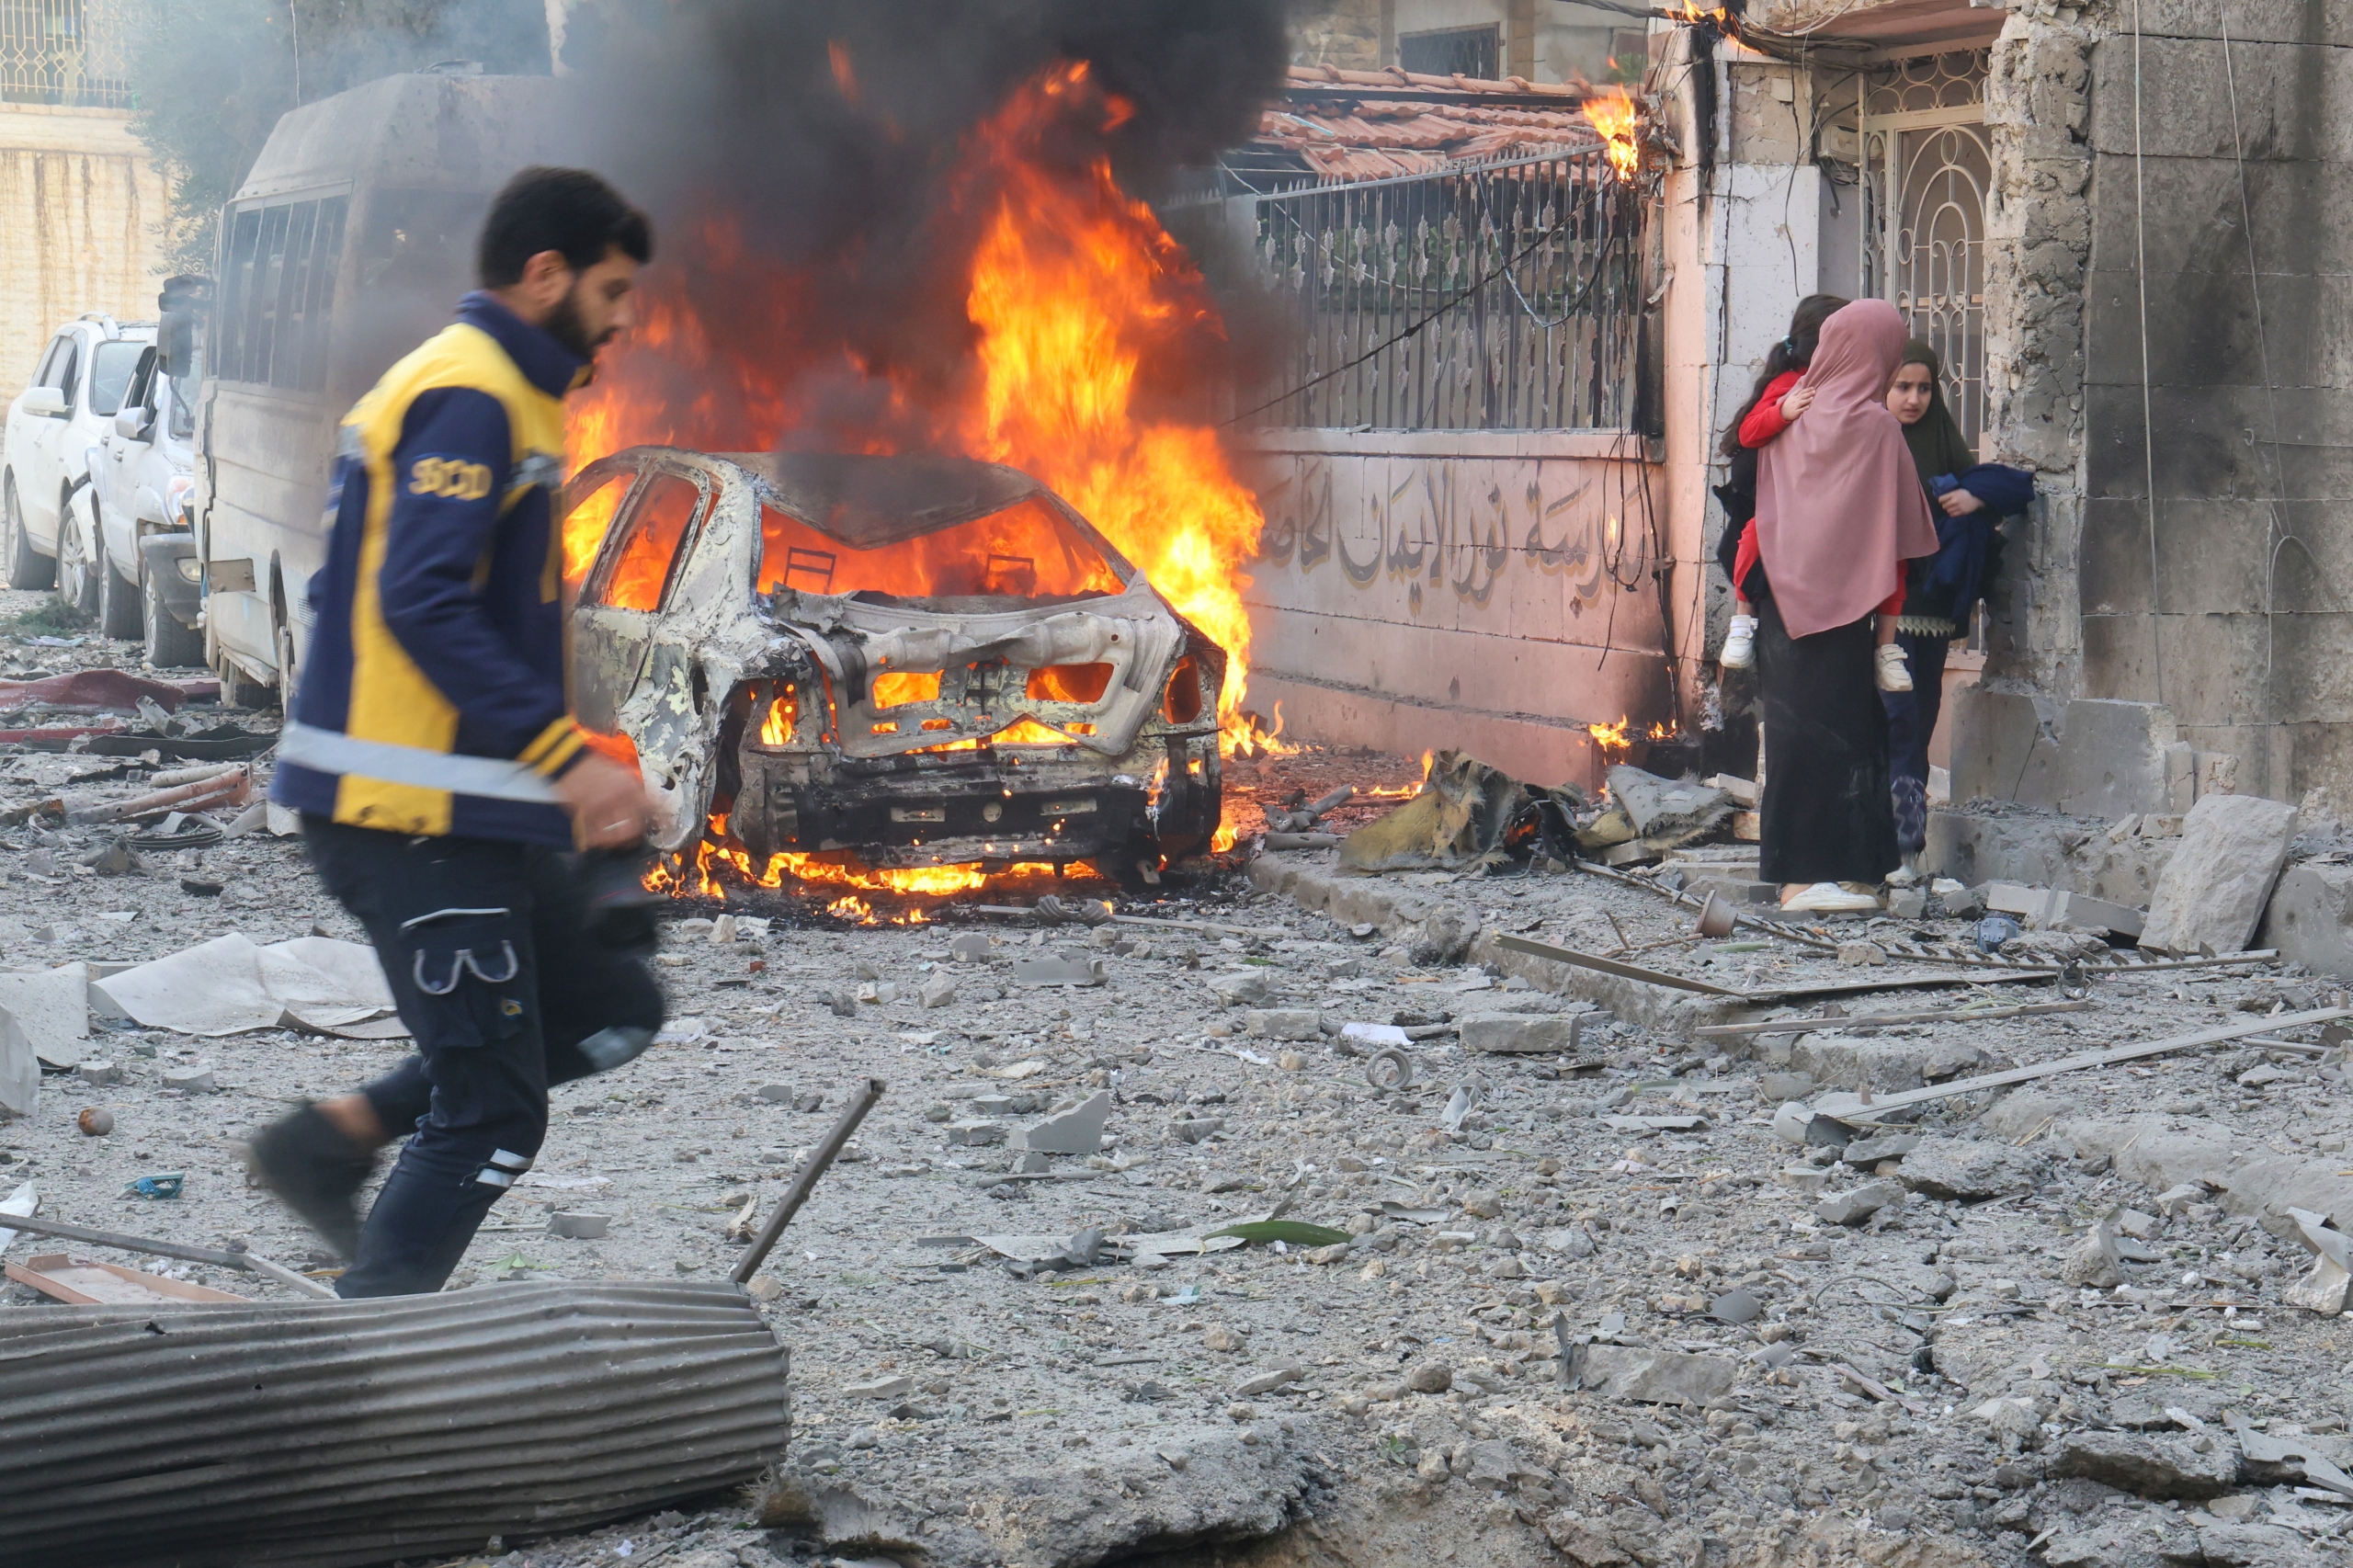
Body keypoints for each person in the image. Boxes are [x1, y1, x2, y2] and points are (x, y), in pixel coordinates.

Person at [246, 167, 666, 1298]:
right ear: (546, 275)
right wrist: (560, 758)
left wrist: (591, 768)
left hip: (474, 805)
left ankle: (333, 1137)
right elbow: (418, 601)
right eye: (614, 289)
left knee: (612, 1008)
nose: (626, 317)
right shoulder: (470, 394)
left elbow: (485, 617)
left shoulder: (514, 397)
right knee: (494, 1110)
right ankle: (368, 1349)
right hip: (406, 816)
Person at [1744, 299, 1941, 914]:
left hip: (1782, 598)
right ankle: (1836, 878)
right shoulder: (1878, 427)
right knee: (1853, 739)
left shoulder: (1791, 412)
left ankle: (1805, 879)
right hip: (1850, 602)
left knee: (1795, 741)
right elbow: (1905, 526)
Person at [1881, 340, 2033, 854]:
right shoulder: (1867, 438)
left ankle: (1904, 846)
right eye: (1902, 386)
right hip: (1870, 610)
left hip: (1923, 612)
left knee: (1916, 717)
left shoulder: (1941, 442)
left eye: (1925, 387)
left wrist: (1973, 497)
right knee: (1887, 718)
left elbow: (2014, 488)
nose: (1914, 399)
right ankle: (1871, 843)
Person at [1713, 294, 1846, 670]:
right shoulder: (1793, 383)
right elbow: (1749, 432)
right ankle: (1742, 619)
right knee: (1757, 536)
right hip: (1779, 501)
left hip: (1818, 504)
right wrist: (1783, 412)